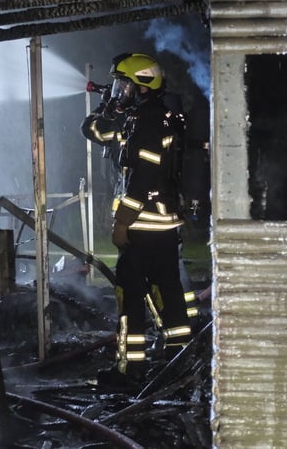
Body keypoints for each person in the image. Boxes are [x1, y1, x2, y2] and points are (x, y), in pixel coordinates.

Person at [81, 52, 193, 387]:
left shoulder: (147, 121)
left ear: (142, 86)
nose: (119, 90)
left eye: (123, 85)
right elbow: (93, 131)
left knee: (129, 295)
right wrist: (108, 106)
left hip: (143, 225)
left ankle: (130, 372)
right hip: (161, 225)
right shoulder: (150, 117)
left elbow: (143, 176)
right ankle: (179, 363)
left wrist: (122, 222)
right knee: (169, 293)